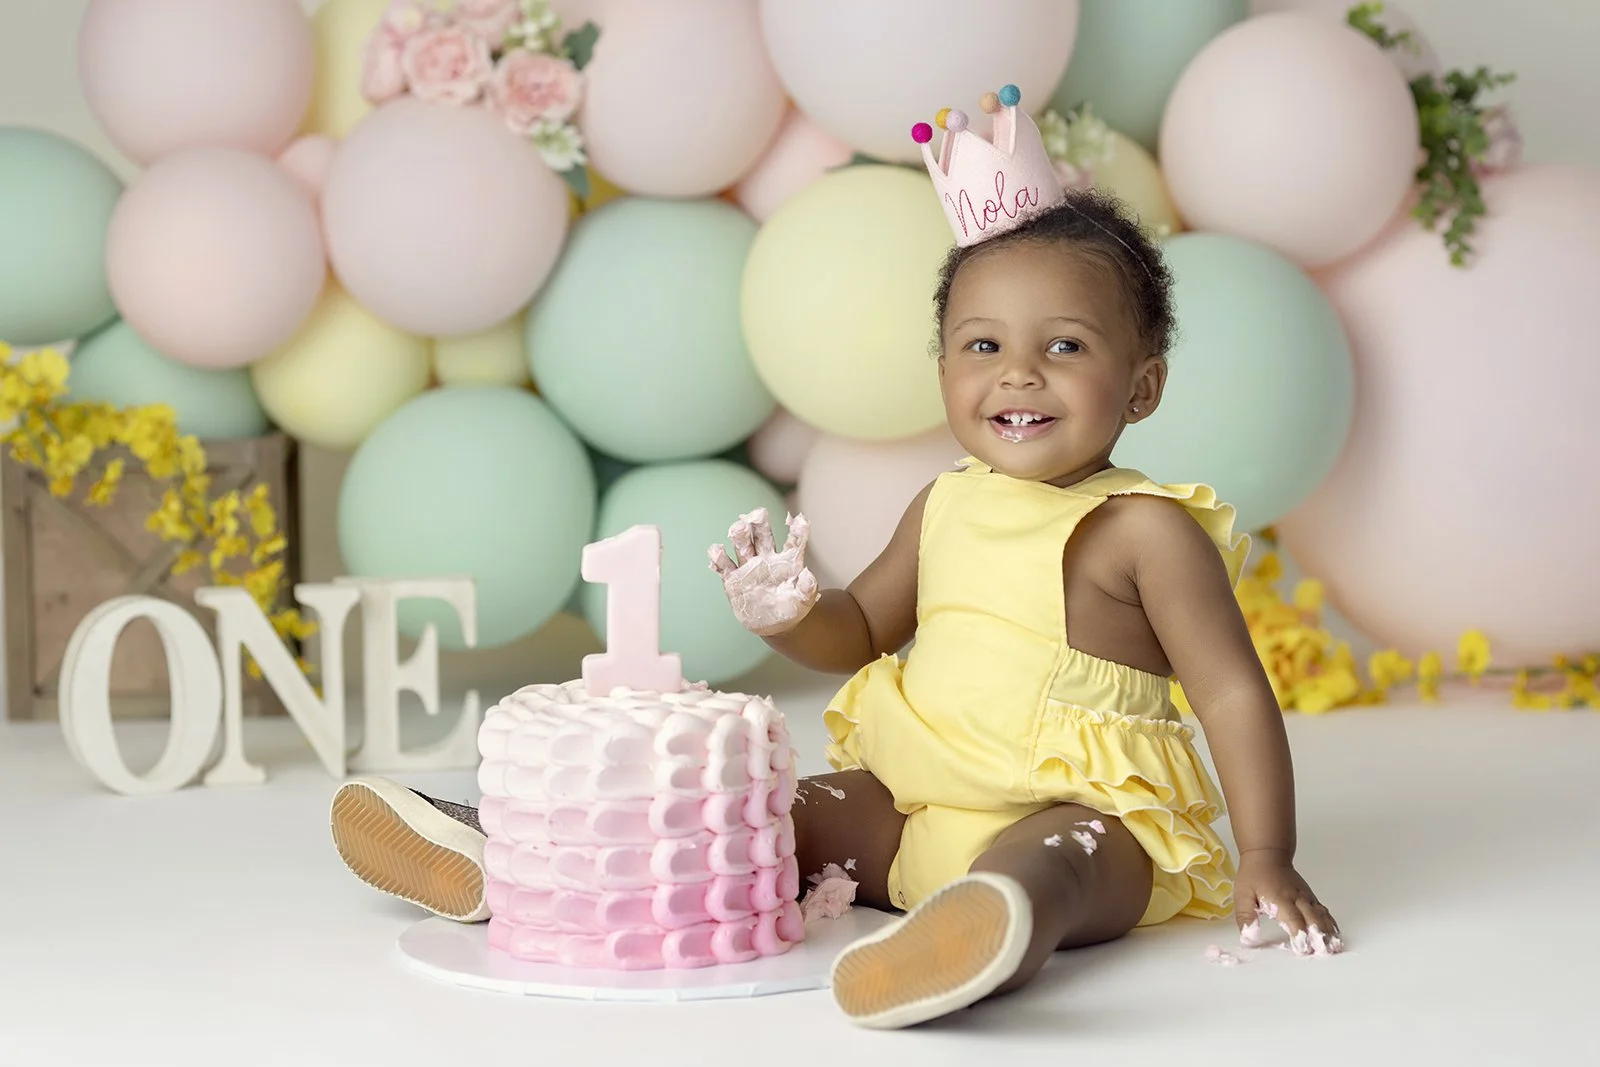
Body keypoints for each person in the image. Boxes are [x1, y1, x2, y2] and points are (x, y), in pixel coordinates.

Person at [330, 84, 1341, 1030]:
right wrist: (791, 612)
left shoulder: (1143, 528)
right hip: (908, 799)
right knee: (756, 821)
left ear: (1144, 385)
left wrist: (1266, 851)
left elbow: (1233, 695)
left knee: (1055, 861)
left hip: (1085, 812)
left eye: (1066, 345)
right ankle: (509, 856)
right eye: (981, 345)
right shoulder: (944, 500)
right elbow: (859, 631)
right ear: (942, 367)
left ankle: (982, 930)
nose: (1018, 371)